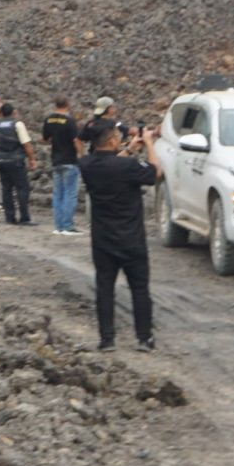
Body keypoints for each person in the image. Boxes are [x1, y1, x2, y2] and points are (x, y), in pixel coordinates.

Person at [80, 122, 161, 350]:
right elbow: (155, 172)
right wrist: (149, 145)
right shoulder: (129, 167)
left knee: (104, 288)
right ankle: (144, 338)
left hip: (103, 240)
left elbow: (110, 163)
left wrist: (129, 150)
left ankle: (107, 339)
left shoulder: (86, 165)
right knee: (139, 288)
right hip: (131, 239)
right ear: (112, 140)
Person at [43, 98, 83, 236]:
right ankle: (68, 226)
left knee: (58, 194)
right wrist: (81, 154)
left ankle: (58, 226)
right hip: (69, 160)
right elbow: (75, 140)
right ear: (67, 105)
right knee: (69, 194)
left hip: (56, 160)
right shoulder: (69, 121)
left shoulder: (48, 120)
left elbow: (45, 138)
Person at [0, 102, 35, 225]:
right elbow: (26, 144)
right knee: (22, 188)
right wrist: (32, 159)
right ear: (13, 112)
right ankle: (24, 218)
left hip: (1, 161)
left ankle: (9, 218)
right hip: (16, 161)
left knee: (6, 190)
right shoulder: (18, 124)